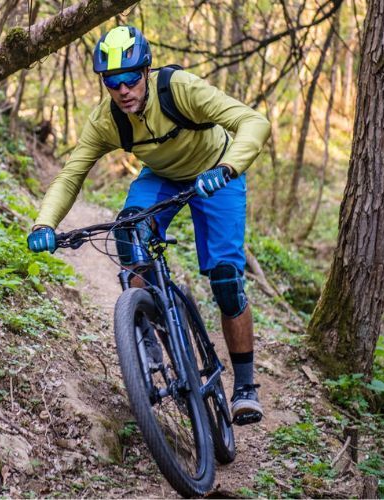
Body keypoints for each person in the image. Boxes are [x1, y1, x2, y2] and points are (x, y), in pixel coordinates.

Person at [26, 26, 271, 424]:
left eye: (130, 78)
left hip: (218, 172)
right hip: (162, 178)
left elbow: (254, 122)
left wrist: (227, 168)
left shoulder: (179, 89)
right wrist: (44, 223)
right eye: (112, 82)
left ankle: (245, 386)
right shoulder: (107, 120)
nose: (123, 90)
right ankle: (148, 326)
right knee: (128, 232)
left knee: (226, 278)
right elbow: (71, 175)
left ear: (147, 70)